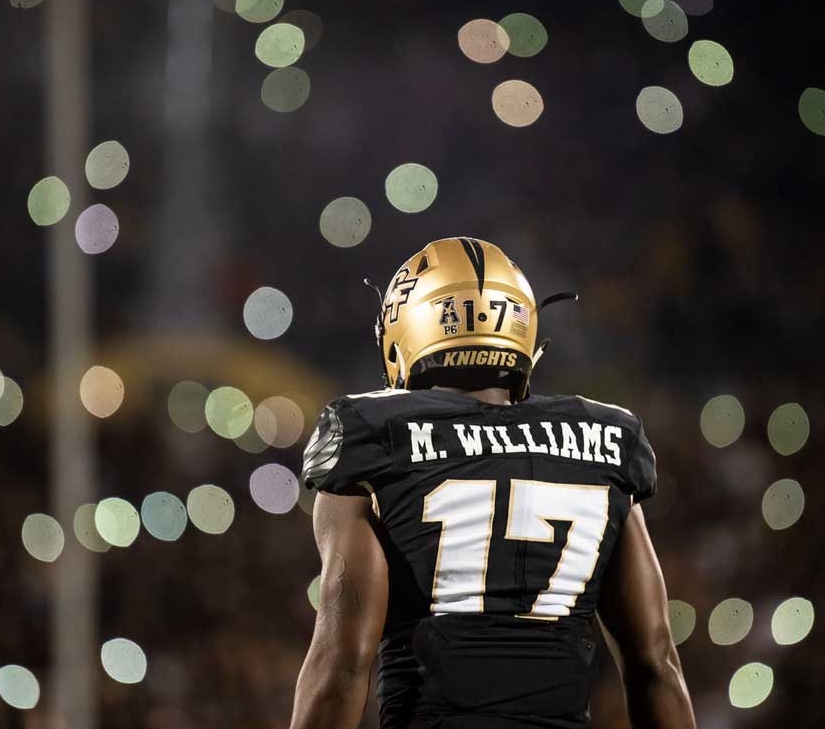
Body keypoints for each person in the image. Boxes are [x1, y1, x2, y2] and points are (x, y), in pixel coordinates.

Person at [290, 238, 695, 729]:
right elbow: (655, 662)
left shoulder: (372, 435)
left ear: (406, 330)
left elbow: (343, 662)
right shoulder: (605, 441)